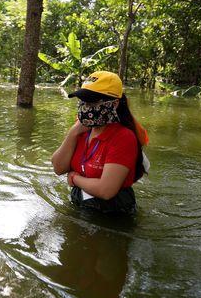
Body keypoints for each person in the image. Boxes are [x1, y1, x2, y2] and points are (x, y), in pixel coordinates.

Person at [51, 71, 149, 215]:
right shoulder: (82, 129)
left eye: (92, 102)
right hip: (82, 204)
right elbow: (58, 168)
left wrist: (74, 178)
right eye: (82, 101)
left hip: (112, 214)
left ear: (114, 104)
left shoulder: (123, 137)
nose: (85, 107)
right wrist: (73, 133)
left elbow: (106, 190)